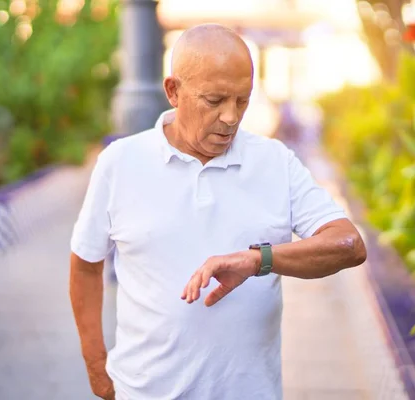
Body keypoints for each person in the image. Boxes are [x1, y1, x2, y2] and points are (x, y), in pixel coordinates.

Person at [69, 24, 367, 400]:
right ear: (173, 91)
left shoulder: (274, 162)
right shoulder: (120, 162)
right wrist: (97, 368)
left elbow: (349, 245)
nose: (231, 117)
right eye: (215, 100)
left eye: (242, 101)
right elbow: (85, 264)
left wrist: (259, 260)